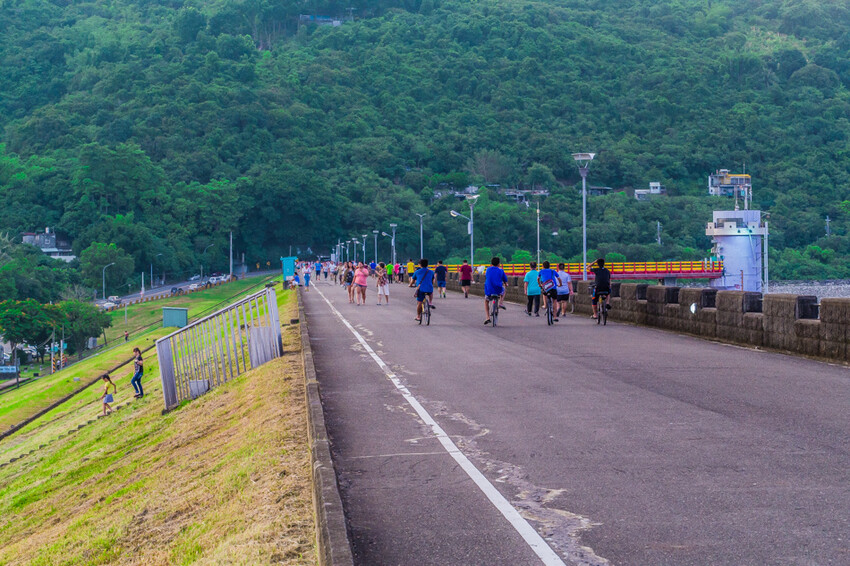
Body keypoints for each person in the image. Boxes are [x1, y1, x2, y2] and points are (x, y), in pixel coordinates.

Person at [484, 257, 508, 325]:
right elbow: (505, 281)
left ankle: (487, 317)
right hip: (498, 290)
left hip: (489, 290)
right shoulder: (501, 271)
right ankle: (500, 303)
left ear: (491, 263)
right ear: (499, 264)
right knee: (504, 289)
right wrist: (506, 284)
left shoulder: (488, 269)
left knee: (486, 301)